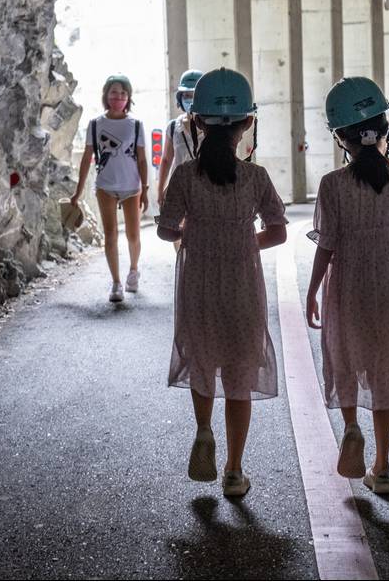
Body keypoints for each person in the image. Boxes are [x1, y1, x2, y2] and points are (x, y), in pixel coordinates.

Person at [157, 67, 288, 499]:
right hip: (242, 285)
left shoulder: (184, 177)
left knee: (203, 359)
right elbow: (279, 230)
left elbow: (165, 229)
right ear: (247, 123)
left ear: (195, 121)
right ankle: (234, 469)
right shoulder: (256, 177)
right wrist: (242, 239)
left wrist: (191, 234)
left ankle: (202, 430)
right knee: (239, 371)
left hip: (197, 283)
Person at [305, 77, 389, 495]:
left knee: (346, 359)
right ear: (385, 128)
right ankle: (383, 466)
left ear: (340, 136)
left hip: (347, 283)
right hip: (388, 283)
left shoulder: (332, 185)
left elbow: (326, 243)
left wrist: (311, 291)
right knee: (381, 370)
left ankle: (352, 426)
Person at [71, 74, 150, 303]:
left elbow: (142, 160)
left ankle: (133, 271)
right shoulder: (95, 124)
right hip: (105, 186)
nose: (118, 97)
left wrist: (144, 189)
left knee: (133, 235)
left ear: (129, 98)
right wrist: (77, 192)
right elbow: (87, 159)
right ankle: (116, 283)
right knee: (110, 235)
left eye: (123, 93)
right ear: (106, 95)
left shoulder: (135, 125)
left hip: (131, 187)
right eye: (114, 92)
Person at [157, 69, 204, 253]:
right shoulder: (173, 127)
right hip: (178, 188)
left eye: (194, 95)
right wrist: (161, 189)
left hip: (204, 186)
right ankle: (183, 266)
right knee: (177, 231)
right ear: (179, 97)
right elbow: (166, 159)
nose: (190, 99)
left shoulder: (210, 124)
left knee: (200, 230)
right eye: (186, 95)